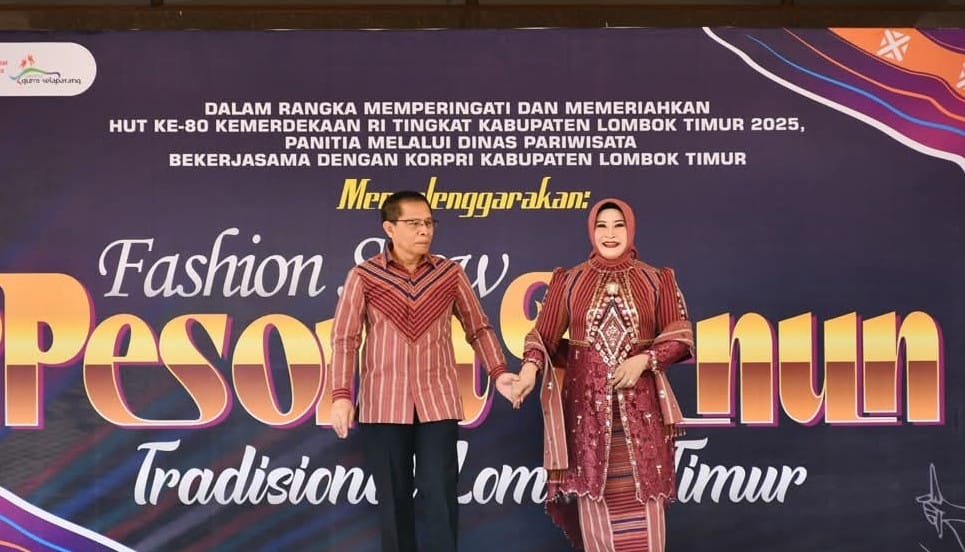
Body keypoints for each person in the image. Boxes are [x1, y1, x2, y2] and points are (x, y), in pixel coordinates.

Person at [329, 190, 518, 552]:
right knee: (394, 500)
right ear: (389, 228)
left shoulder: (449, 273)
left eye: (429, 223)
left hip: (437, 403)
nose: (424, 230)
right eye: (414, 223)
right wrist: (341, 396)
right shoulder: (364, 276)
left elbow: (478, 327)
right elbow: (344, 338)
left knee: (440, 495)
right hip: (383, 405)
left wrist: (498, 373)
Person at [514, 198, 693, 552]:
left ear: (631, 229)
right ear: (591, 231)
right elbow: (543, 336)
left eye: (618, 225)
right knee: (596, 511)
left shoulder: (656, 280)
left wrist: (645, 360)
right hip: (588, 418)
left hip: (642, 416)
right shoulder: (569, 281)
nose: (610, 234)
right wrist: (528, 371)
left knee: (645, 514)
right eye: (602, 226)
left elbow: (680, 334)